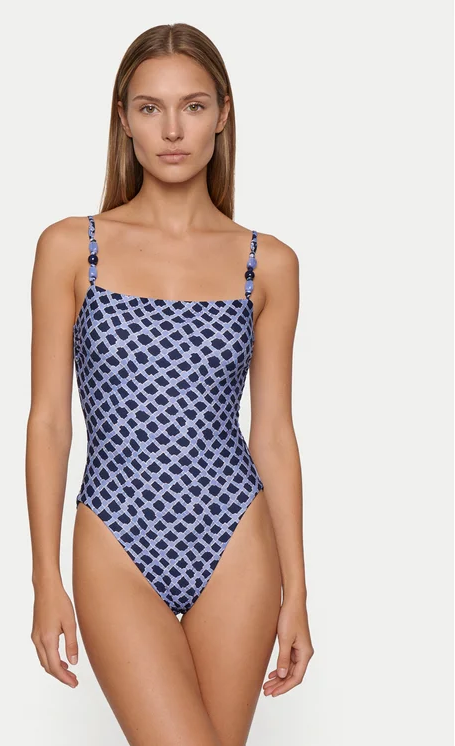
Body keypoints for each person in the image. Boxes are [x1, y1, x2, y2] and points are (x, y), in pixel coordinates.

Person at [26, 22, 314, 746]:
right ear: (123, 119)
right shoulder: (71, 248)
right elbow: (50, 422)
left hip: (235, 534)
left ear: (223, 114)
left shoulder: (269, 264)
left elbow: (273, 433)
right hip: (115, 533)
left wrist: (298, 593)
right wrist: (44, 579)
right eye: (150, 108)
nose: (173, 130)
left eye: (193, 105)